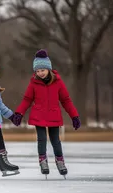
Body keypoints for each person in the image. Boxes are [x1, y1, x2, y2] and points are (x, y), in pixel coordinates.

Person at [12, 49, 81, 179]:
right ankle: (43, 162)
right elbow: (27, 99)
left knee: (56, 140)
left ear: (48, 69)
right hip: (39, 115)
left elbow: (66, 100)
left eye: (42, 70)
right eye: (37, 71)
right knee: (41, 139)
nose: (40, 73)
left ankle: (60, 161)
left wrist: (74, 116)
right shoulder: (33, 83)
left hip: (53, 115)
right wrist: (19, 113)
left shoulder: (58, 82)